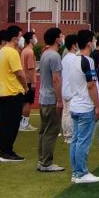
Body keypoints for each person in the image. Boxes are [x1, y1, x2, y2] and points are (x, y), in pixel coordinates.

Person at [64, 30, 99, 184]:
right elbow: (91, 85)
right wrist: (97, 106)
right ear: (89, 43)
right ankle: (81, 173)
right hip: (85, 106)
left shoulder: (72, 59)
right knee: (82, 142)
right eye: (93, 40)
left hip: (75, 105)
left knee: (76, 140)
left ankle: (76, 172)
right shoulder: (87, 61)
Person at [0, 26, 28, 162]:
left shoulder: (3, 50)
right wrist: (25, 86)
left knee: (5, 123)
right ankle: (7, 152)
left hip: (4, 92)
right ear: (15, 37)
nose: (21, 39)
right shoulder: (12, 52)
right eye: (20, 36)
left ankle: (4, 150)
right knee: (12, 124)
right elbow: (19, 73)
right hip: (13, 92)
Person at [37, 27, 65, 172]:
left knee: (44, 130)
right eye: (61, 36)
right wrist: (59, 99)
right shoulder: (54, 56)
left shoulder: (45, 54)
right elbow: (56, 79)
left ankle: (42, 160)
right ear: (56, 39)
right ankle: (46, 163)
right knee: (51, 131)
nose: (62, 38)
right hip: (51, 99)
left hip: (43, 97)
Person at [19, 31, 38, 132]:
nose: (36, 39)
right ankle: (24, 124)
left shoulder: (24, 51)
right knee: (27, 102)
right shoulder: (30, 52)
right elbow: (30, 68)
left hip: (24, 80)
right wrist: (33, 82)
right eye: (34, 37)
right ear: (30, 39)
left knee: (24, 102)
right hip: (28, 80)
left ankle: (22, 123)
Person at [60, 33, 78, 144]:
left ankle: (67, 134)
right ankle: (70, 135)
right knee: (70, 114)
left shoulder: (65, 59)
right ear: (73, 45)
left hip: (65, 89)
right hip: (72, 90)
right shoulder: (75, 58)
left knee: (65, 113)